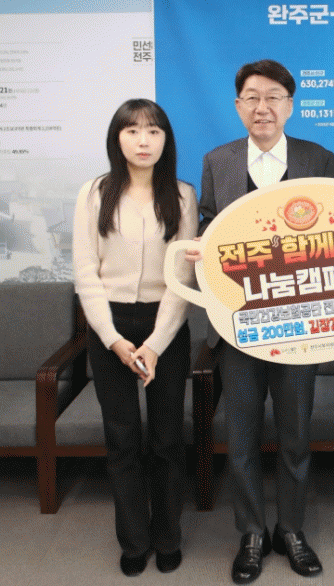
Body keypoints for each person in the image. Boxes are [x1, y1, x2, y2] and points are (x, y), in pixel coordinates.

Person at [185, 59, 334, 584]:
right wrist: (202, 246)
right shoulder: (218, 160)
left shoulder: (318, 159)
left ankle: (291, 530)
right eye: (252, 97)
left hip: (298, 326)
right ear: (238, 106)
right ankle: (251, 532)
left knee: (295, 435)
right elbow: (210, 222)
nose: (262, 107)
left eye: (274, 97)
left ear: (290, 105)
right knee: (242, 436)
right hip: (237, 325)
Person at [73, 99, 198, 576]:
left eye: (153, 131)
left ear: (166, 140)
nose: (143, 141)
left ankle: (167, 537)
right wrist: (112, 339)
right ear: (117, 139)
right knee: (122, 439)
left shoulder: (182, 197)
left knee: (166, 439)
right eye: (132, 131)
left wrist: (154, 345)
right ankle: (134, 540)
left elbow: (181, 279)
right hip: (109, 327)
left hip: (164, 327)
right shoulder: (93, 194)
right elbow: (86, 272)